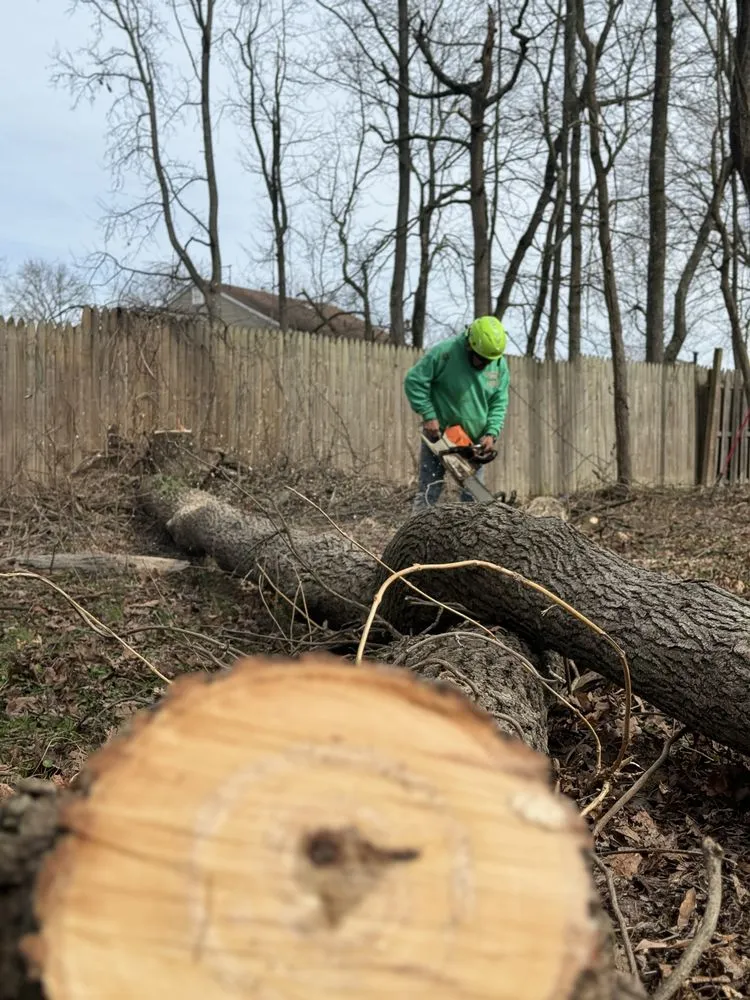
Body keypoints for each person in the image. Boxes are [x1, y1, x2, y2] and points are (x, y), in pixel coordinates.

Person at [403, 315, 510, 508]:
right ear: (470, 344)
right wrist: (428, 415)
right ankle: (417, 532)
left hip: (472, 443)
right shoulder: (446, 352)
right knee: (429, 490)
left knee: (474, 496)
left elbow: (498, 401)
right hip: (440, 436)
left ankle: (468, 536)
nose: (485, 364)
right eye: (481, 359)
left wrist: (491, 433)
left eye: (489, 360)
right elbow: (414, 380)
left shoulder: (498, 363)